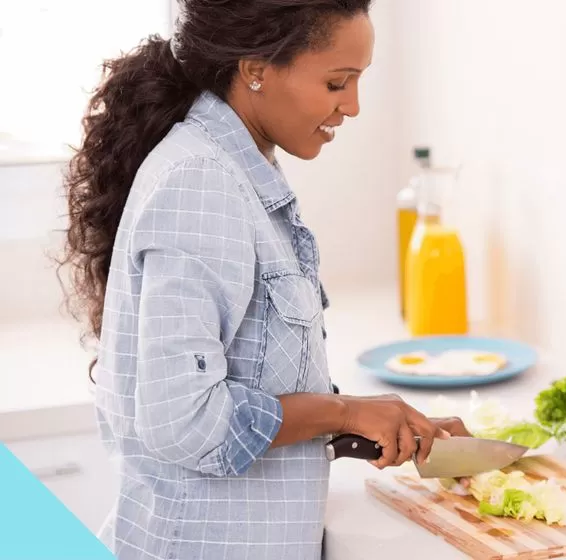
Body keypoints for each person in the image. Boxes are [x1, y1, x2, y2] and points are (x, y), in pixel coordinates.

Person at [57, 1, 470, 558]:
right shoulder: (202, 184)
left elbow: (253, 378)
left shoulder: (235, 167)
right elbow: (184, 420)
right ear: (255, 69)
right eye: (335, 83)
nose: (351, 106)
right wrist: (345, 412)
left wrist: (377, 422)